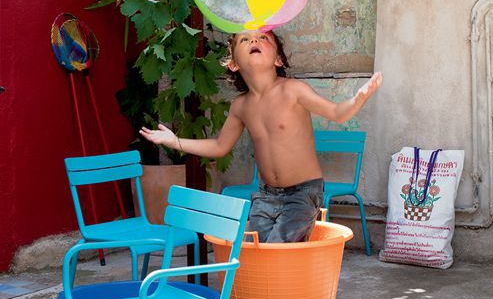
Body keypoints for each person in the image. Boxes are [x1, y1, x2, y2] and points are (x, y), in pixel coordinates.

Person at [140, 30, 383, 243]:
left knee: (277, 249)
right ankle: (269, 295)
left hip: (302, 193)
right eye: (244, 39)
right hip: (266, 195)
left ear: (278, 59)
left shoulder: (292, 90)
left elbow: (337, 113)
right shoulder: (241, 106)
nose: (254, 39)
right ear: (234, 63)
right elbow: (219, 146)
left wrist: (358, 98)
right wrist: (176, 141)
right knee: (256, 249)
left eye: (263, 37)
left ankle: (284, 295)